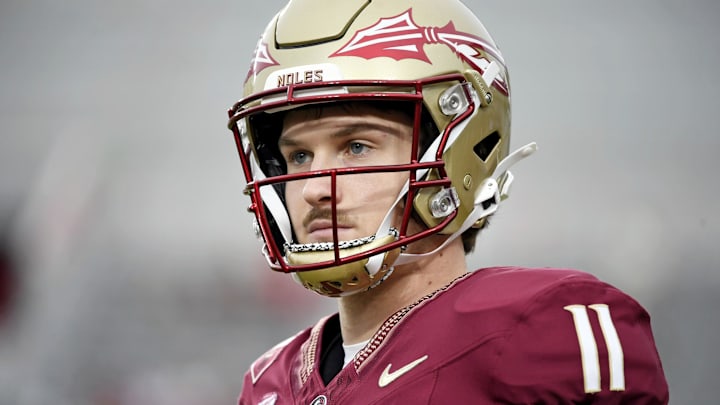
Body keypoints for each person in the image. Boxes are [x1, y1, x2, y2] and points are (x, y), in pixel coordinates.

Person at [226, 0, 669, 403]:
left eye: (357, 146)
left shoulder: (539, 330)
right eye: (299, 156)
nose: (313, 188)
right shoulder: (267, 383)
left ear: (457, 153)